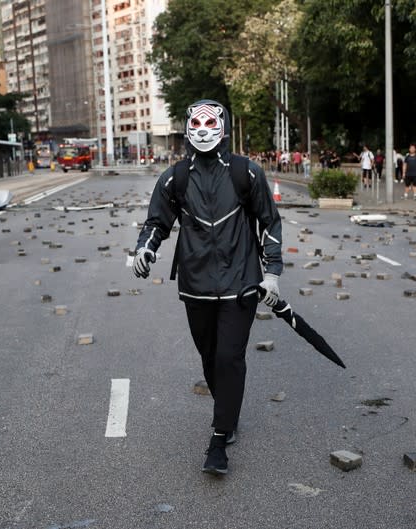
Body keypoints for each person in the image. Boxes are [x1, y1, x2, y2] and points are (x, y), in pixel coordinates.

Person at [133, 99, 283, 477]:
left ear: (222, 127)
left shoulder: (245, 173)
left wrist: (273, 273)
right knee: (210, 356)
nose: (201, 129)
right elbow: (157, 222)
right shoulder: (175, 178)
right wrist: (145, 249)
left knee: (229, 357)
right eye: (195, 122)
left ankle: (219, 439)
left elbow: (269, 220)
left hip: (241, 284)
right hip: (196, 286)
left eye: (208, 122)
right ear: (187, 128)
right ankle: (227, 411)